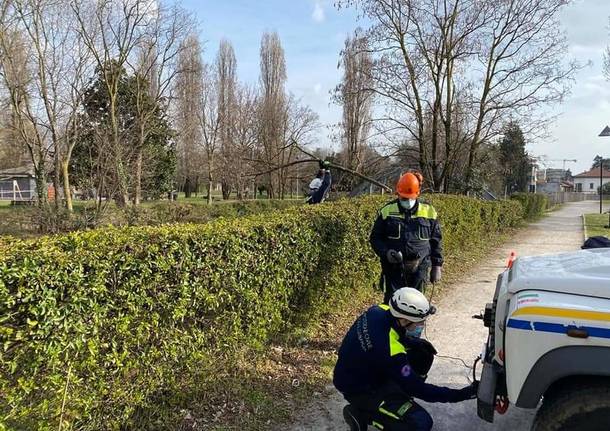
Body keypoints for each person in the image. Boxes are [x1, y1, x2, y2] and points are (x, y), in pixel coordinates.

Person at [333, 287, 478, 431]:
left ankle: (399, 397)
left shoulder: (380, 310)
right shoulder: (390, 351)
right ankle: (362, 414)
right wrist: (461, 394)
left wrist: (414, 343)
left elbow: (391, 332)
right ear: (404, 319)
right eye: (419, 321)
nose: (421, 325)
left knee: (422, 352)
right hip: (359, 389)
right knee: (420, 423)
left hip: (359, 369)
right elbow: (419, 389)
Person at [370, 172, 443, 303]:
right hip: (393, 268)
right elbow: (375, 238)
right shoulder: (387, 211)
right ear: (398, 194)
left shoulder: (429, 212)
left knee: (416, 304)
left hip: (420, 267)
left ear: (417, 194)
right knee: (392, 304)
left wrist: (437, 266)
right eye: (403, 199)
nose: (407, 202)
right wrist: (386, 253)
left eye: (410, 198)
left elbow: (436, 241)